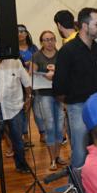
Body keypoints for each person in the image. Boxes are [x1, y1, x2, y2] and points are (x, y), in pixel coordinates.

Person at [53, 7, 97, 171]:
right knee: (80, 150)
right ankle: (77, 191)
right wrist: (69, 102)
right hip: (77, 106)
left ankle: (95, 187)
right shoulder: (68, 51)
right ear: (84, 26)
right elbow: (59, 84)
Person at [31, 30, 66, 170]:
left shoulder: (61, 55)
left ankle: (57, 156)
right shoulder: (37, 56)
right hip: (44, 94)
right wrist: (45, 75)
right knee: (50, 126)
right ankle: (52, 159)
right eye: (46, 40)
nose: (50, 42)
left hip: (59, 93)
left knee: (59, 126)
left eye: (52, 39)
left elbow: (67, 72)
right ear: (41, 42)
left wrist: (56, 72)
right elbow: (31, 74)